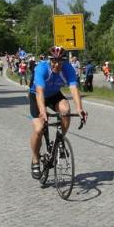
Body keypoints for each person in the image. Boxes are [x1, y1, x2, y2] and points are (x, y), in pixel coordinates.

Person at [28, 46, 87, 179]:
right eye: (54, 61)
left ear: (64, 61)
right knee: (39, 129)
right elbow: (39, 92)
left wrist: (79, 109)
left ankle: (59, 141)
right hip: (37, 95)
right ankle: (35, 159)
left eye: (60, 61)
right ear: (49, 60)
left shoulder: (68, 68)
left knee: (65, 109)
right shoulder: (42, 68)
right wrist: (43, 111)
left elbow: (73, 88)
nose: (57, 64)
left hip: (54, 94)